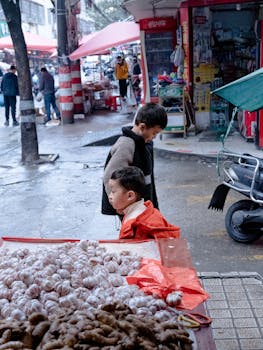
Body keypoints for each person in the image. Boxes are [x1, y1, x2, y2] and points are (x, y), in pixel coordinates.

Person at [102, 102, 167, 217]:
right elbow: (110, 177)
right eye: (154, 133)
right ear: (142, 127)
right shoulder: (126, 145)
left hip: (143, 205)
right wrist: (119, 204)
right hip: (131, 207)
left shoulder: (144, 144)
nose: (154, 137)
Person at [108, 166, 180, 240]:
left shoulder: (132, 226)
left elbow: (128, 249)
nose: (110, 196)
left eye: (113, 192)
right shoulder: (148, 209)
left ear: (130, 195)